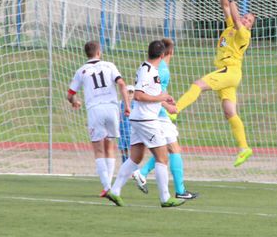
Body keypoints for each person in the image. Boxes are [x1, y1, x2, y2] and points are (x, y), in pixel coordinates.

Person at [173, 0, 256, 167]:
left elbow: (235, 16)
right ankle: (244, 148)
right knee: (229, 111)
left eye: (249, 21)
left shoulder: (244, 34)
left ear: (250, 27)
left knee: (198, 84)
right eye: (245, 17)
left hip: (229, 71)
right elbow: (226, 8)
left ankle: (175, 110)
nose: (245, 20)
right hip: (230, 76)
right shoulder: (231, 27)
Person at [105, 39, 186, 208]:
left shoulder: (150, 69)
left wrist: (165, 100)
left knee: (136, 157)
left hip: (140, 118)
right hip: (146, 120)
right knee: (162, 157)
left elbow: (152, 94)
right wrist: (161, 97)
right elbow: (139, 95)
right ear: (162, 55)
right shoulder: (147, 71)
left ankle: (115, 190)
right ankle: (165, 198)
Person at [131, 38, 199, 200]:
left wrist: (167, 103)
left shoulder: (159, 67)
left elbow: (157, 92)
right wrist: (167, 106)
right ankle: (179, 191)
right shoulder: (161, 70)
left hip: (155, 114)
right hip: (157, 115)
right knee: (173, 149)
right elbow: (152, 94)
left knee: (164, 150)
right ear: (170, 52)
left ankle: (142, 173)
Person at [67, 40, 131, 197]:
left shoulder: (82, 71)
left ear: (86, 54)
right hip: (112, 109)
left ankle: (107, 186)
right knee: (110, 148)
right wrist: (127, 106)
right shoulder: (110, 66)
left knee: (98, 150)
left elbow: (70, 95)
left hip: (95, 110)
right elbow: (122, 84)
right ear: (99, 52)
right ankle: (111, 187)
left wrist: (75, 102)